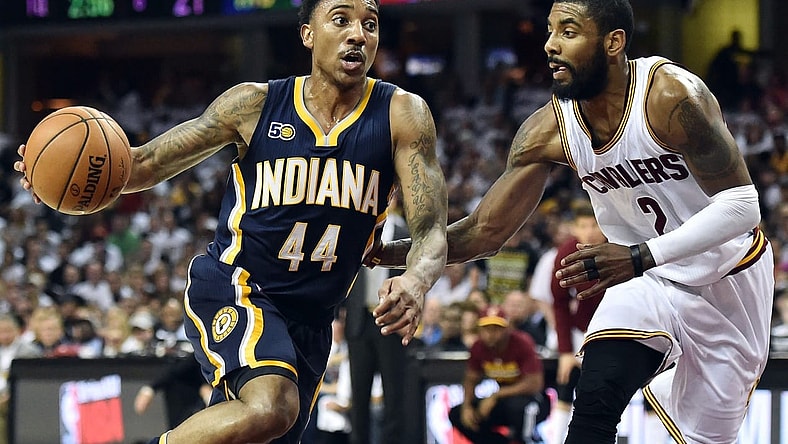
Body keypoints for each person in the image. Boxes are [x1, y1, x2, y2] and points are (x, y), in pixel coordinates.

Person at [15, 1, 449, 443]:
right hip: (238, 284)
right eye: (341, 20)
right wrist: (53, 181)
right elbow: (140, 165)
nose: (358, 33)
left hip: (311, 320)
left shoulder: (401, 114)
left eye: (370, 24)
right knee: (273, 405)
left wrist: (415, 281)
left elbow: (431, 230)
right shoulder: (254, 105)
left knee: (257, 426)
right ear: (307, 34)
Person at [367, 1, 775, 442]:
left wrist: (640, 256)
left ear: (613, 43)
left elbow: (742, 206)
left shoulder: (671, 98)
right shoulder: (548, 129)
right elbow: (484, 232)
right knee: (595, 397)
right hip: (648, 279)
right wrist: (386, 253)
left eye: (568, 32)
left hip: (728, 278)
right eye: (549, 31)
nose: (550, 45)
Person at [448, 305, 548, 444]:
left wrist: (496, 395)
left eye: (496, 328)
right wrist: (467, 406)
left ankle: (525, 441)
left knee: (518, 408)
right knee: (457, 414)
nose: (491, 333)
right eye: (486, 328)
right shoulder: (478, 347)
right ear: (480, 330)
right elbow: (471, 378)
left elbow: (534, 384)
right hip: (502, 400)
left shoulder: (522, 343)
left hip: (532, 401)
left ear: (506, 328)